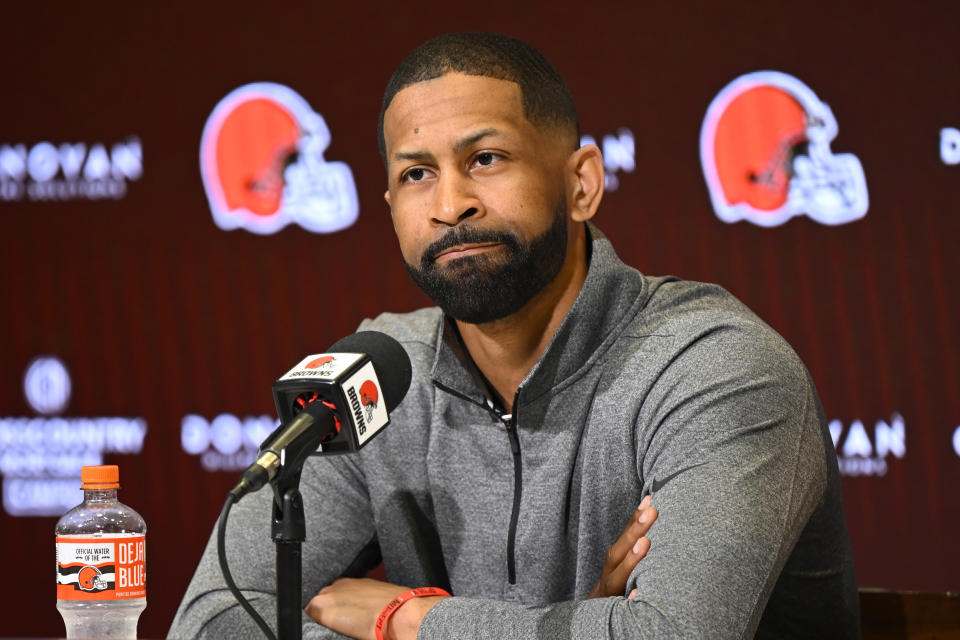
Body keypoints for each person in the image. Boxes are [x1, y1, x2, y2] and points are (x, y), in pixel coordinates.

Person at [169, 32, 859, 639]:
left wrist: (410, 619)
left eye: (487, 159)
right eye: (416, 174)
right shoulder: (373, 377)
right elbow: (211, 623)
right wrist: (583, 624)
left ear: (581, 184)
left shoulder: (715, 367)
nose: (449, 206)